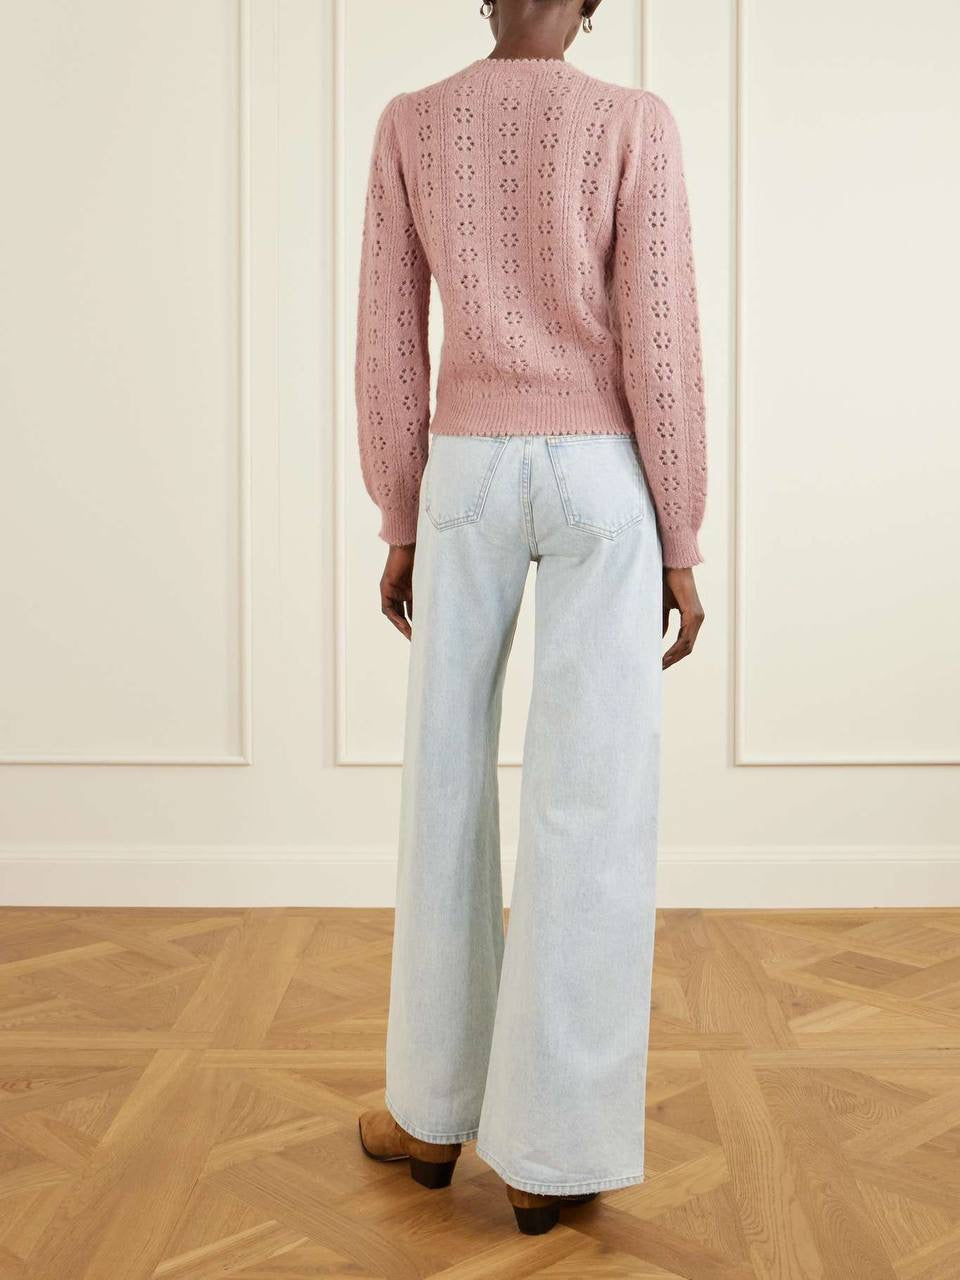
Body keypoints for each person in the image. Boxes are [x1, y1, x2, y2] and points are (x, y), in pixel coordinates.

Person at [354, 0, 706, 1236]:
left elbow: (389, 338)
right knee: (591, 795)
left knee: (445, 779)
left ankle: (430, 1111)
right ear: (592, 5)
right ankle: (550, 1152)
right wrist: (681, 533)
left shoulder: (414, 122)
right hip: (602, 474)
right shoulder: (631, 122)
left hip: (465, 472)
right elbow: (660, 342)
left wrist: (399, 509)